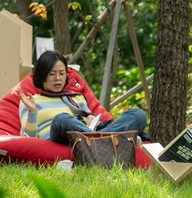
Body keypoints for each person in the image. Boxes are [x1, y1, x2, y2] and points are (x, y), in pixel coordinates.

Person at [19, 50, 147, 145]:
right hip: (59, 137)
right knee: (61, 119)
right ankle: (114, 141)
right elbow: (27, 137)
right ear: (42, 76)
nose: (58, 78)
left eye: (62, 73)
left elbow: (90, 121)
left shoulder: (77, 97)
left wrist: (91, 117)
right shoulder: (31, 101)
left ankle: (101, 142)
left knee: (138, 114)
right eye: (52, 74)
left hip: (88, 135)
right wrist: (32, 112)